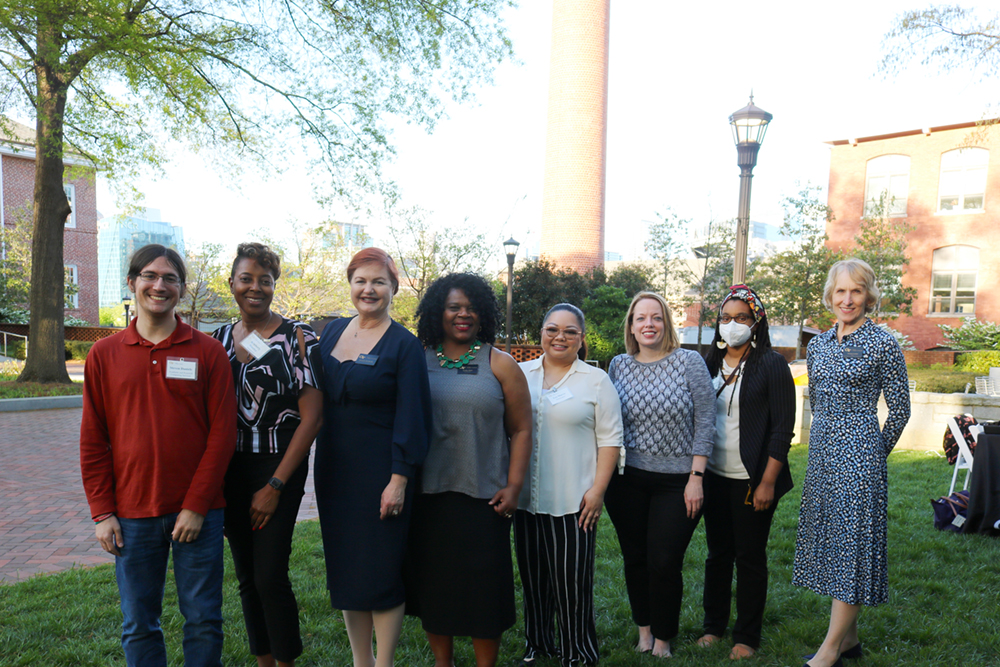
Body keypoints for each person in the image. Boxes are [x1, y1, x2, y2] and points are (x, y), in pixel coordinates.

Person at [80, 244, 236, 667]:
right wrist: (101, 512)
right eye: (149, 275)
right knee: (138, 623)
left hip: (199, 514)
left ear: (181, 290)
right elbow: (94, 440)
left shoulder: (207, 352)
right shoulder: (103, 355)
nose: (159, 285)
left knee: (203, 620)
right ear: (131, 283)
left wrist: (196, 505)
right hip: (130, 514)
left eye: (170, 278)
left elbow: (222, 436)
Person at [406, 272, 533, 667]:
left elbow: (522, 428)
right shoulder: (417, 360)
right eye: (454, 307)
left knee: (483, 592)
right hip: (428, 497)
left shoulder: (500, 363)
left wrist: (514, 486)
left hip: (485, 498)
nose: (464, 314)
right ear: (437, 313)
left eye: (471, 307)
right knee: (435, 588)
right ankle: (443, 663)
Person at [315, 247, 432, 667]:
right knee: (348, 570)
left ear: (393, 289)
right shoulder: (330, 334)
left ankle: (384, 664)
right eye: (361, 281)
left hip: (382, 473)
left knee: (380, 572)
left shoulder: (404, 345)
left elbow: (414, 417)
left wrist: (399, 479)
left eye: (379, 282)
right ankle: (360, 661)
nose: (369, 289)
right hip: (334, 470)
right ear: (350, 285)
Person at [793, 259, 910, 667]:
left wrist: (876, 453)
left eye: (856, 291)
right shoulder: (819, 344)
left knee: (851, 548)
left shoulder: (883, 343)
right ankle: (850, 641)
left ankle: (828, 652)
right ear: (830, 295)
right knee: (834, 544)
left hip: (860, 455)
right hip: (823, 455)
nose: (848, 299)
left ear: (868, 296)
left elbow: (900, 409)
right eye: (841, 291)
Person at [212, 242, 324, 667]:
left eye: (265, 280)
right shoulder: (218, 339)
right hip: (230, 470)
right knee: (245, 577)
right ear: (232, 284)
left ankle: (285, 661)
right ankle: (264, 660)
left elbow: (312, 418)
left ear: (275, 286)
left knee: (269, 575)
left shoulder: (298, 338)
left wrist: (276, 484)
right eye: (247, 278)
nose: (255, 287)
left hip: (279, 464)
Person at [603, 291, 715, 658]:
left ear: (666, 323)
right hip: (627, 479)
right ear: (631, 327)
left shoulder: (689, 362)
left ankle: (664, 637)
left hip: (678, 480)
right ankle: (645, 631)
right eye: (640, 318)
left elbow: (705, 420)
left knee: (664, 561)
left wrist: (696, 476)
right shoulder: (618, 365)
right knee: (635, 558)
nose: (648, 324)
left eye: (656, 317)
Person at [515, 303, 623, 667]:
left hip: (574, 501)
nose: (559, 336)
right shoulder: (520, 373)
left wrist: (597, 491)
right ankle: (539, 644)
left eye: (569, 331)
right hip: (526, 499)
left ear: (581, 338)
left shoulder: (596, 380)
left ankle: (578, 652)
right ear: (540, 333)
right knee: (533, 581)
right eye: (551, 329)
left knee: (571, 585)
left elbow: (610, 440)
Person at [695, 285, 795, 660]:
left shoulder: (771, 364)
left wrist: (767, 481)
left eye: (741, 318)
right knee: (717, 553)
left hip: (754, 480)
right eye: (725, 318)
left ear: (756, 322)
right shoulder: (706, 363)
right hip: (714, 477)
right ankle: (713, 627)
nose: (732, 325)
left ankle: (747, 636)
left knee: (749, 557)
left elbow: (782, 429)